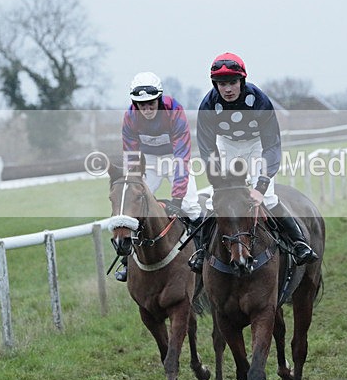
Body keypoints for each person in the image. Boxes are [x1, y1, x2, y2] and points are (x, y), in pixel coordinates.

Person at [190, 52, 318, 272]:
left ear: (242, 81)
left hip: (257, 144)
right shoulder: (208, 105)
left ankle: (299, 244)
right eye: (222, 84)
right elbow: (207, 148)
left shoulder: (259, 101)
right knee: (214, 201)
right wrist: (219, 183)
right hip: (227, 145)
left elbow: (272, 146)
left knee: (267, 197)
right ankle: (202, 251)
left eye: (232, 82)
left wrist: (259, 187)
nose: (228, 89)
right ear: (215, 85)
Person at [113, 71, 202, 282]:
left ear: (159, 99)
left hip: (174, 159)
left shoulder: (174, 110)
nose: (147, 109)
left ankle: (202, 257)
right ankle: (127, 262)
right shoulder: (130, 117)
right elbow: (132, 158)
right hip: (148, 162)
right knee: (133, 208)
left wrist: (177, 199)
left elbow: (182, 156)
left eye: (151, 103)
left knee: (191, 208)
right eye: (141, 105)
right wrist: (134, 185)